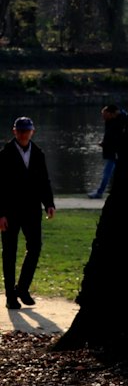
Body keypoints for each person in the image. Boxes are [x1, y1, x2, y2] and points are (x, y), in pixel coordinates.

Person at [0, 116, 56, 309]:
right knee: (9, 252)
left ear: (33, 131)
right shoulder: (5, 153)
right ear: (14, 131)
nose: (24, 134)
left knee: (35, 247)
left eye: (27, 130)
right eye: (20, 130)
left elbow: (44, 181)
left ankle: (22, 288)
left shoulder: (38, 153)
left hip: (32, 210)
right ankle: (10, 296)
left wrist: (49, 203)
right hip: (9, 212)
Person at [89, 102, 127, 198]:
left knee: (107, 172)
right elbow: (111, 135)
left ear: (112, 113)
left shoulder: (122, 120)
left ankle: (99, 192)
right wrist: (104, 142)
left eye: (105, 116)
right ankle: (100, 192)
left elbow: (117, 138)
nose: (103, 118)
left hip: (116, 151)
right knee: (108, 172)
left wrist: (106, 143)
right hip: (113, 150)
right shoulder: (113, 120)